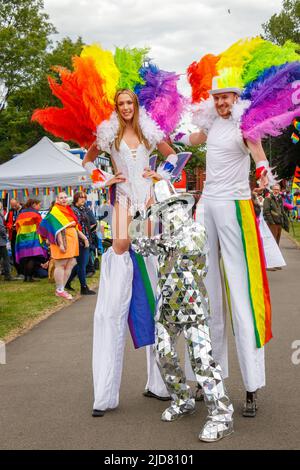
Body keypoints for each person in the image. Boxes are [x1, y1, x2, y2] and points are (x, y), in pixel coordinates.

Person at [175, 80, 273, 417]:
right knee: (203, 295)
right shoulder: (212, 124)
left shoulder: (246, 125)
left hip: (235, 206)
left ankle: (251, 385)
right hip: (207, 206)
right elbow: (193, 139)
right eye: (216, 97)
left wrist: (262, 173)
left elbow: (258, 154)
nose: (221, 102)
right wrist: (168, 135)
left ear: (235, 98)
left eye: (226, 97)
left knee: (243, 295)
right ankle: (206, 378)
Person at [83, 89, 176, 417]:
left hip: (147, 201)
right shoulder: (108, 134)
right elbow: (87, 160)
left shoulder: (150, 131)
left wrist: (160, 174)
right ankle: (107, 386)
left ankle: (161, 380)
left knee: (148, 255)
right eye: (120, 103)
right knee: (121, 248)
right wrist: (105, 178)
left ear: (136, 106)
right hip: (122, 199)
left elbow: (174, 157)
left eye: (129, 103)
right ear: (116, 107)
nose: (125, 108)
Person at [131, 180, 234, 442]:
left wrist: (164, 241)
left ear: (184, 209)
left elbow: (191, 248)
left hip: (193, 308)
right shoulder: (163, 238)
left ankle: (221, 416)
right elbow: (137, 244)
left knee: (202, 361)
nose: (171, 214)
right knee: (163, 355)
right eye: (165, 211)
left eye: (175, 208)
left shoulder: (196, 232)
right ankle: (182, 399)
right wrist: (139, 217)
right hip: (167, 309)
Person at [38, 192, 88, 300]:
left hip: (71, 240)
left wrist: (84, 238)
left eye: (65, 197)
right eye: (61, 198)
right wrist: (60, 244)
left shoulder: (68, 210)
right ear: (57, 199)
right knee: (60, 264)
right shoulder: (56, 210)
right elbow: (57, 229)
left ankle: (61, 289)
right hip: (61, 240)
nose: (64, 199)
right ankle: (59, 289)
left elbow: (75, 226)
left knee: (71, 263)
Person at [65, 192, 96, 295]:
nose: (83, 199)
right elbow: (75, 227)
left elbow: (88, 223)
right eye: (81, 198)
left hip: (86, 238)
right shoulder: (73, 210)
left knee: (80, 264)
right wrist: (84, 238)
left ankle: (67, 282)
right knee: (82, 264)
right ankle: (84, 287)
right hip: (79, 240)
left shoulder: (82, 209)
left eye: (84, 198)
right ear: (76, 199)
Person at [15, 199, 48, 282]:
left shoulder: (21, 213)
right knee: (32, 257)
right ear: (33, 204)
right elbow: (41, 226)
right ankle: (29, 277)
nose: (39, 207)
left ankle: (26, 277)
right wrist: (44, 237)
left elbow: (17, 226)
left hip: (21, 237)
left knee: (25, 257)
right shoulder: (35, 213)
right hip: (32, 237)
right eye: (39, 205)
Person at [5, 198, 23, 278]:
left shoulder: (23, 210)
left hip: (22, 235)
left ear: (18, 203)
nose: (14, 207)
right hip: (13, 235)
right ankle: (19, 272)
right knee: (14, 253)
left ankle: (24, 272)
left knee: (22, 253)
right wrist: (10, 227)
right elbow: (7, 222)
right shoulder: (11, 211)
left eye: (15, 205)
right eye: (12, 206)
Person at [0, 202, 14, 281]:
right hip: (1, 241)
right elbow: (1, 228)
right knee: (6, 258)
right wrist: (5, 236)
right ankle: (7, 275)